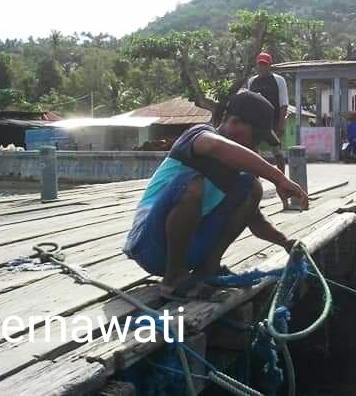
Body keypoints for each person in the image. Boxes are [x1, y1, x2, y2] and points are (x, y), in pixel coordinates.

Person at [123, 90, 308, 301]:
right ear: (235, 122)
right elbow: (214, 145)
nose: (256, 145)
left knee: (252, 187)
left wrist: (286, 243)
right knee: (192, 184)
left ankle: (209, 268)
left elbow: (254, 220)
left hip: (192, 251)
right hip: (149, 245)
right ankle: (173, 277)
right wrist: (279, 178)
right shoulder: (198, 134)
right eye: (255, 137)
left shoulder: (237, 170)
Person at [246, 52, 289, 174]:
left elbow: (283, 103)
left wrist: (280, 125)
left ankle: (282, 178)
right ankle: (255, 178)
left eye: (264, 64)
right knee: (253, 151)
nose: (262, 67)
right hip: (256, 123)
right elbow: (249, 102)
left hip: (273, 122)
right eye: (260, 64)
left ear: (270, 65)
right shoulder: (252, 81)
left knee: (277, 152)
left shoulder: (279, 80)